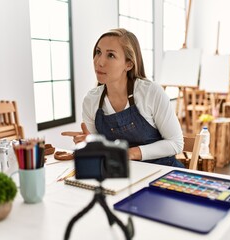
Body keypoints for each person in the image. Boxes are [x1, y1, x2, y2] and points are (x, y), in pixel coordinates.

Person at [62, 28, 184, 167]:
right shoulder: (91, 101)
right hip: (119, 173)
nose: (99, 62)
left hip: (163, 171)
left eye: (111, 55)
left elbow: (176, 143)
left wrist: (129, 153)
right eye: (98, 52)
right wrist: (92, 144)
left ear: (129, 64)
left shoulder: (151, 92)